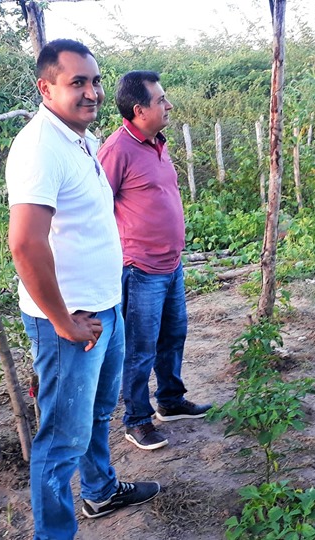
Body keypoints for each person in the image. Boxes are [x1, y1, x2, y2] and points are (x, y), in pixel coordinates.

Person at [6, 40, 159, 539]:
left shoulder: (82, 141)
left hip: (102, 307)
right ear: (45, 87)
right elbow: (26, 245)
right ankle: (54, 534)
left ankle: (100, 490)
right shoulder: (39, 147)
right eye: (77, 83)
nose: (92, 92)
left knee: (96, 412)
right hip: (71, 320)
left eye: (94, 81)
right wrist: (61, 322)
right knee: (60, 440)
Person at [98, 71, 211, 451]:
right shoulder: (116, 150)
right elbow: (99, 208)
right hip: (139, 268)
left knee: (173, 335)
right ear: (138, 109)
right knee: (140, 348)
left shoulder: (156, 143)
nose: (168, 105)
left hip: (171, 264)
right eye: (161, 100)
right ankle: (137, 419)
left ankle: (170, 400)